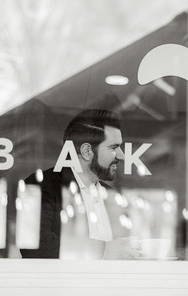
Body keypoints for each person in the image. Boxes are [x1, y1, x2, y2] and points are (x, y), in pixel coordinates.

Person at [20, 109, 140, 259]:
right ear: (86, 151)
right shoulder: (42, 185)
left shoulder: (112, 196)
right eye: (114, 147)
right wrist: (104, 251)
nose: (122, 156)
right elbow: (34, 247)